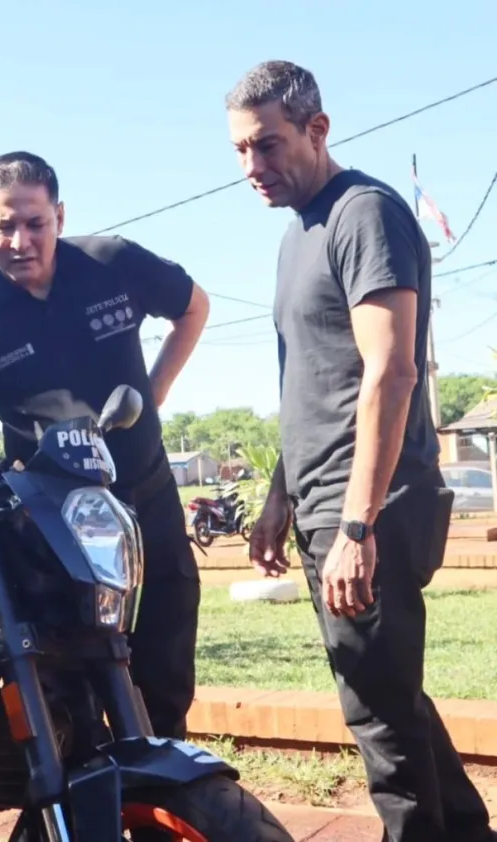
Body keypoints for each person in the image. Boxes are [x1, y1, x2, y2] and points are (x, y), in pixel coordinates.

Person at [226, 59, 493, 842]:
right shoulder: (296, 237)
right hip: (323, 500)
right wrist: (281, 495)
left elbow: (392, 370)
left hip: (369, 505)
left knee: (373, 710)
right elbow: (313, 382)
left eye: (268, 146)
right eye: (241, 150)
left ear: (318, 129)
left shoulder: (364, 213)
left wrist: (354, 527)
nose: (253, 168)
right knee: (389, 691)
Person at [0, 151, 210, 739]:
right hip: (51, 530)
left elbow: (194, 306)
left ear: (60, 215)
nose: (19, 240)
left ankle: (166, 806)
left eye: (35, 223)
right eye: (4, 225)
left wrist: (152, 395)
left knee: (163, 674)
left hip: (146, 499)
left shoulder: (113, 262)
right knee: (75, 697)